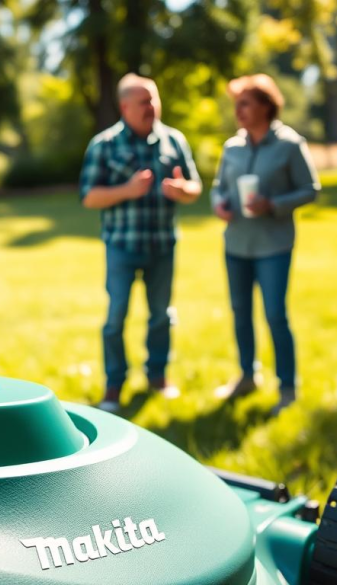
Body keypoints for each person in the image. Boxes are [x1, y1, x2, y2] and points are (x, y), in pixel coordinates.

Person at [79, 74, 202, 411]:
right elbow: (88, 197)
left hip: (163, 245)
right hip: (121, 246)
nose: (151, 107)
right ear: (124, 106)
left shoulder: (173, 141)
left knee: (161, 316)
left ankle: (158, 377)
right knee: (116, 318)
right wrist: (127, 191)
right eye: (143, 101)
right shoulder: (104, 144)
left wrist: (183, 191)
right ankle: (114, 385)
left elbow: (195, 187)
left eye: (153, 100)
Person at [209, 74, 320, 415]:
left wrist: (272, 204)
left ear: (266, 106)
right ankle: (247, 376)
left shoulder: (289, 144)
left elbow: (310, 189)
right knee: (240, 313)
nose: (238, 110)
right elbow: (218, 187)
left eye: (245, 103)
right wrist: (219, 203)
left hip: (273, 245)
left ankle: (287, 388)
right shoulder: (232, 147)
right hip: (236, 244)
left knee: (275, 315)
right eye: (236, 104)